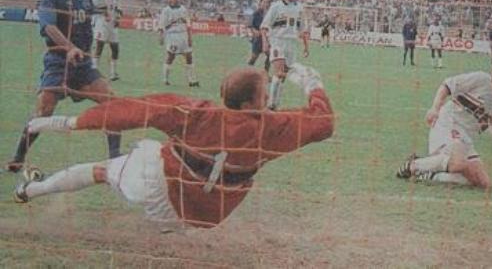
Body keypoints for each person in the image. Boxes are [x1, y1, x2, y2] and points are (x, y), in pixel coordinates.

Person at [14, 63, 334, 229]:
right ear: (252, 103)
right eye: (265, 95)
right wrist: (313, 84)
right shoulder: (273, 129)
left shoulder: (196, 113)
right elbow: (323, 123)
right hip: (205, 216)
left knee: (101, 171)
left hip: (160, 187)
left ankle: (30, 190)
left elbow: (131, 112)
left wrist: (69, 122)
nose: (268, 100)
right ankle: (166, 229)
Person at [6, 0, 121, 173]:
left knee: (112, 103)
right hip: (58, 63)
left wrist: (105, 13)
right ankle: (18, 158)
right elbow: (49, 27)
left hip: (83, 66)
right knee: (44, 111)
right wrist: (70, 48)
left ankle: (115, 160)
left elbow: (88, 13)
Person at [396, 55, 492, 188]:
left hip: (465, 138)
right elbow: (447, 85)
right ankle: (414, 165)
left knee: (483, 183)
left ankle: (430, 174)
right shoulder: (482, 79)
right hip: (448, 123)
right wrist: (435, 108)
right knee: (458, 163)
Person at [261, 0, 309, 110]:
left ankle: (275, 105)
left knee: (283, 76)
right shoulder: (276, 6)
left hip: (292, 43)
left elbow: (303, 30)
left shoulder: (299, 8)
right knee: (279, 73)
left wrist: (306, 47)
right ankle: (271, 104)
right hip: (278, 41)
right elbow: (264, 26)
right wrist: (265, 43)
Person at [157, 0, 199, 87]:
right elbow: (161, 25)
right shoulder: (166, 10)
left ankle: (191, 80)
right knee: (171, 56)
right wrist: (161, 37)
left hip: (183, 35)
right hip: (172, 36)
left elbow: (188, 24)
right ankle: (165, 79)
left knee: (189, 56)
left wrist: (190, 37)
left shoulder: (183, 9)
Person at [91, 0, 121, 81]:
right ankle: (94, 71)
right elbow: (91, 8)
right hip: (101, 23)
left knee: (115, 48)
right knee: (100, 46)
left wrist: (118, 18)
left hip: (112, 24)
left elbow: (119, 9)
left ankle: (113, 73)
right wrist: (103, 12)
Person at [247, 0, 270, 71]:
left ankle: (265, 72)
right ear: (260, 3)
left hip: (266, 38)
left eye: (267, 2)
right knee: (254, 57)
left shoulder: (269, 14)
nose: (265, 4)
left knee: (269, 55)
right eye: (264, 2)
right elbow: (250, 25)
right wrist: (254, 31)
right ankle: (248, 69)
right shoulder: (256, 13)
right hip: (258, 38)